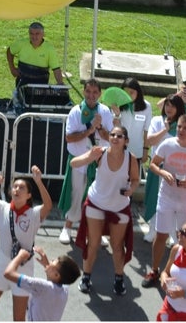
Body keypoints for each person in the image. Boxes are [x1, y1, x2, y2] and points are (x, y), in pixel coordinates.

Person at [0, 167, 52, 321]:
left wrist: (39, 182)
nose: (17, 189)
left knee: (19, 318)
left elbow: (48, 206)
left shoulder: (34, 214)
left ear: (28, 195)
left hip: (23, 269)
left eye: (21, 188)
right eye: (14, 187)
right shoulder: (1, 207)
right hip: (1, 264)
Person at [143, 113, 186, 288]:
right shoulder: (167, 144)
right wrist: (163, 173)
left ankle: (182, 271)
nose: (181, 130)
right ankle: (154, 270)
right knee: (161, 235)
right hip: (166, 196)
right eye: (179, 126)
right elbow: (153, 164)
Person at [70, 125, 139, 295]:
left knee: (117, 246)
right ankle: (86, 277)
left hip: (119, 206)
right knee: (93, 243)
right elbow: (73, 163)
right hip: (96, 202)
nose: (114, 138)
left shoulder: (131, 158)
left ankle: (118, 279)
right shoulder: (100, 152)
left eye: (119, 135)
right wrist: (89, 157)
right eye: (112, 134)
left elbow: (136, 179)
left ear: (126, 141)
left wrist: (131, 189)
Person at [57, 78, 113, 244]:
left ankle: (95, 230)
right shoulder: (75, 111)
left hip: (99, 160)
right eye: (88, 91)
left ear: (100, 94)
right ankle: (67, 227)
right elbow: (69, 137)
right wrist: (90, 130)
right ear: (84, 91)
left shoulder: (105, 111)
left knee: (98, 196)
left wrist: (100, 127)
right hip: (79, 160)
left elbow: (110, 137)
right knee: (76, 193)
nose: (91, 95)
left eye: (95, 92)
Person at [2, 245, 81, 323]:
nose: (51, 261)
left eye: (53, 262)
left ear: (57, 275)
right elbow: (53, 282)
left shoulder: (41, 287)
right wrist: (47, 265)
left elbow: (8, 273)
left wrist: (20, 256)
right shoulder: (65, 289)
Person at [5, 22, 62, 96]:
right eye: (31, 34)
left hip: (40, 86)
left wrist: (60, 83)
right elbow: (10, 51)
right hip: (22, 84)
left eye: (37, 34)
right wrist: (12, 68)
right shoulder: (22, 44)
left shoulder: (49, 49)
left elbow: (56, 69)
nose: (34, 37)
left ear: (43, 34)